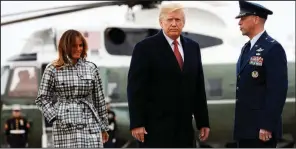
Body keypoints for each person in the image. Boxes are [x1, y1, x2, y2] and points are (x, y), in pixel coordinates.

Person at [127, 3, 210, 148]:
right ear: (161, 22)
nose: (174, 24)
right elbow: (136, 89)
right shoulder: (144, 48)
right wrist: (137, 123)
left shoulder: (193, 47)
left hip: (184, 130)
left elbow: (198, 87)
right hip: (154, 130)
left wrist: (203, 122)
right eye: (169, 20)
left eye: (178, 20)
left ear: (183, 23)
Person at [35, 29, 109, 148]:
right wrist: (56, 116)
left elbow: (99, 100)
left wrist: (104, 127)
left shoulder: (91, 68)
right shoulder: (52, 69)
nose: (79, 49)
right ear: (65, 47)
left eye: (81, 45)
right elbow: (42, 99)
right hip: (65, 126)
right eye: (74, 46)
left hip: (90, 123)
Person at [234, 0, 288, 148]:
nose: (239, 23)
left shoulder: (272, 49)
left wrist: (267, 125)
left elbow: (277, 91)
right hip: (245, 128)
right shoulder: (246, 48)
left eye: (243, 18)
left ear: (256, 19)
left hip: (261, 130)